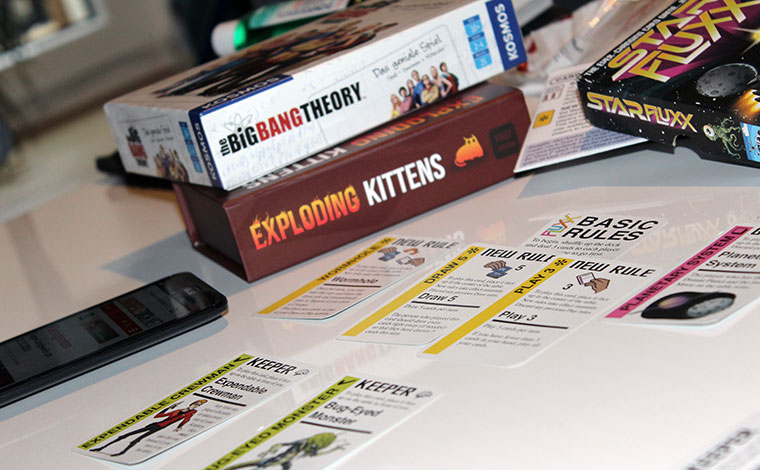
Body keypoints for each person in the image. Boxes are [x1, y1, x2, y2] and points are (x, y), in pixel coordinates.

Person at [89, 400, 206, 457]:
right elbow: (159, 416)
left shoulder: (189, 413)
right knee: (125, 435)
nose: (196, 406)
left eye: (198, 405)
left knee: (137, 439)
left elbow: (186, 419)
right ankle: (102, 447)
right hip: (154, 424)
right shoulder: (178, 410)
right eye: (196, 404)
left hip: (159, 427)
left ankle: (122, 452)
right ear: (191, 404)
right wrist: (168, 408)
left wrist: (179, 427)